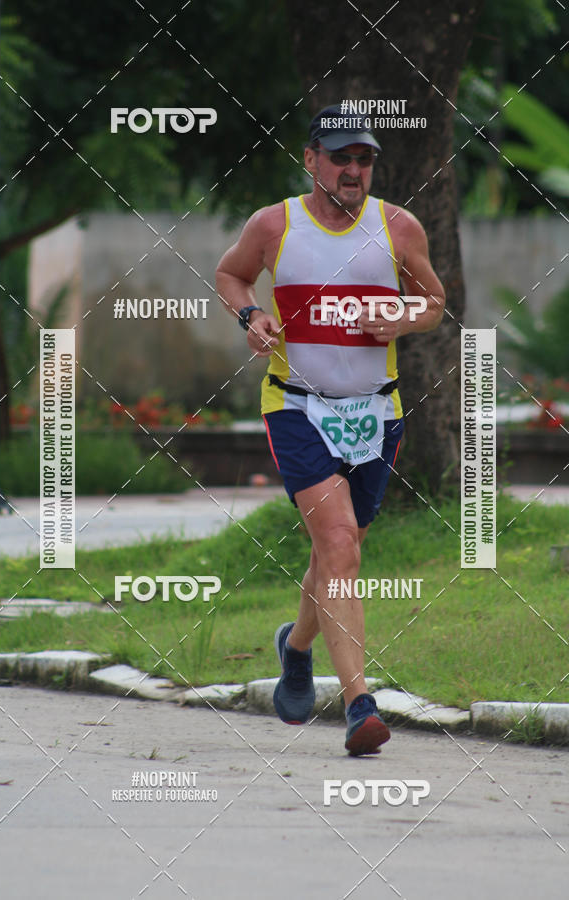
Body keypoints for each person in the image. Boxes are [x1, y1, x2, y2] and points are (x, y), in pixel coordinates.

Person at [215, 103, 445, 755]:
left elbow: (434, 301)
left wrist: (406, 319)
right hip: (297, 407)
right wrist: (251, 317)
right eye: (339, 157)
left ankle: (297, 646)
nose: (352, 170)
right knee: (341, 544)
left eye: (363, 158)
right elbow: (230, 274)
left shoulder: (398, 227)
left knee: (335, 551)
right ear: (311, 159)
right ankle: (358, 706)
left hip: (376, 412)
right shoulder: (273, 225)